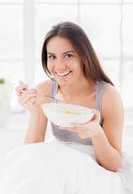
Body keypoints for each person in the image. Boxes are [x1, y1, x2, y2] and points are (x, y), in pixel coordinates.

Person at [16, 21, 124, 173]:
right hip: (60, 165)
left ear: (84, 56)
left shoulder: (108, 96)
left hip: (94, 170)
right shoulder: (45, 90)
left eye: (68, 55)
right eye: (52, 56)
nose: (59, 66)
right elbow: (31, 152)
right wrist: (34, 111)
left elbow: (113, 165)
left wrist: (96, 132)